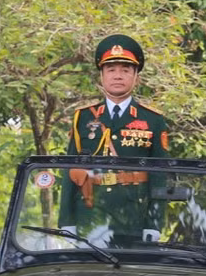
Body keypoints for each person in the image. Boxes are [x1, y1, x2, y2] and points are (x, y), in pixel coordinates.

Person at [59, 34, 170, 246]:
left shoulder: (153, 120)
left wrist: (154, 224)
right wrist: (67, 220)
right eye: (111, 70)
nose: (117, 76)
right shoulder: (83, 118)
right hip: (90, 216)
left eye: (125, 70)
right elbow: (69, 171)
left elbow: (159, 176)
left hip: (134, 217)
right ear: (101, 76)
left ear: (136, 77)